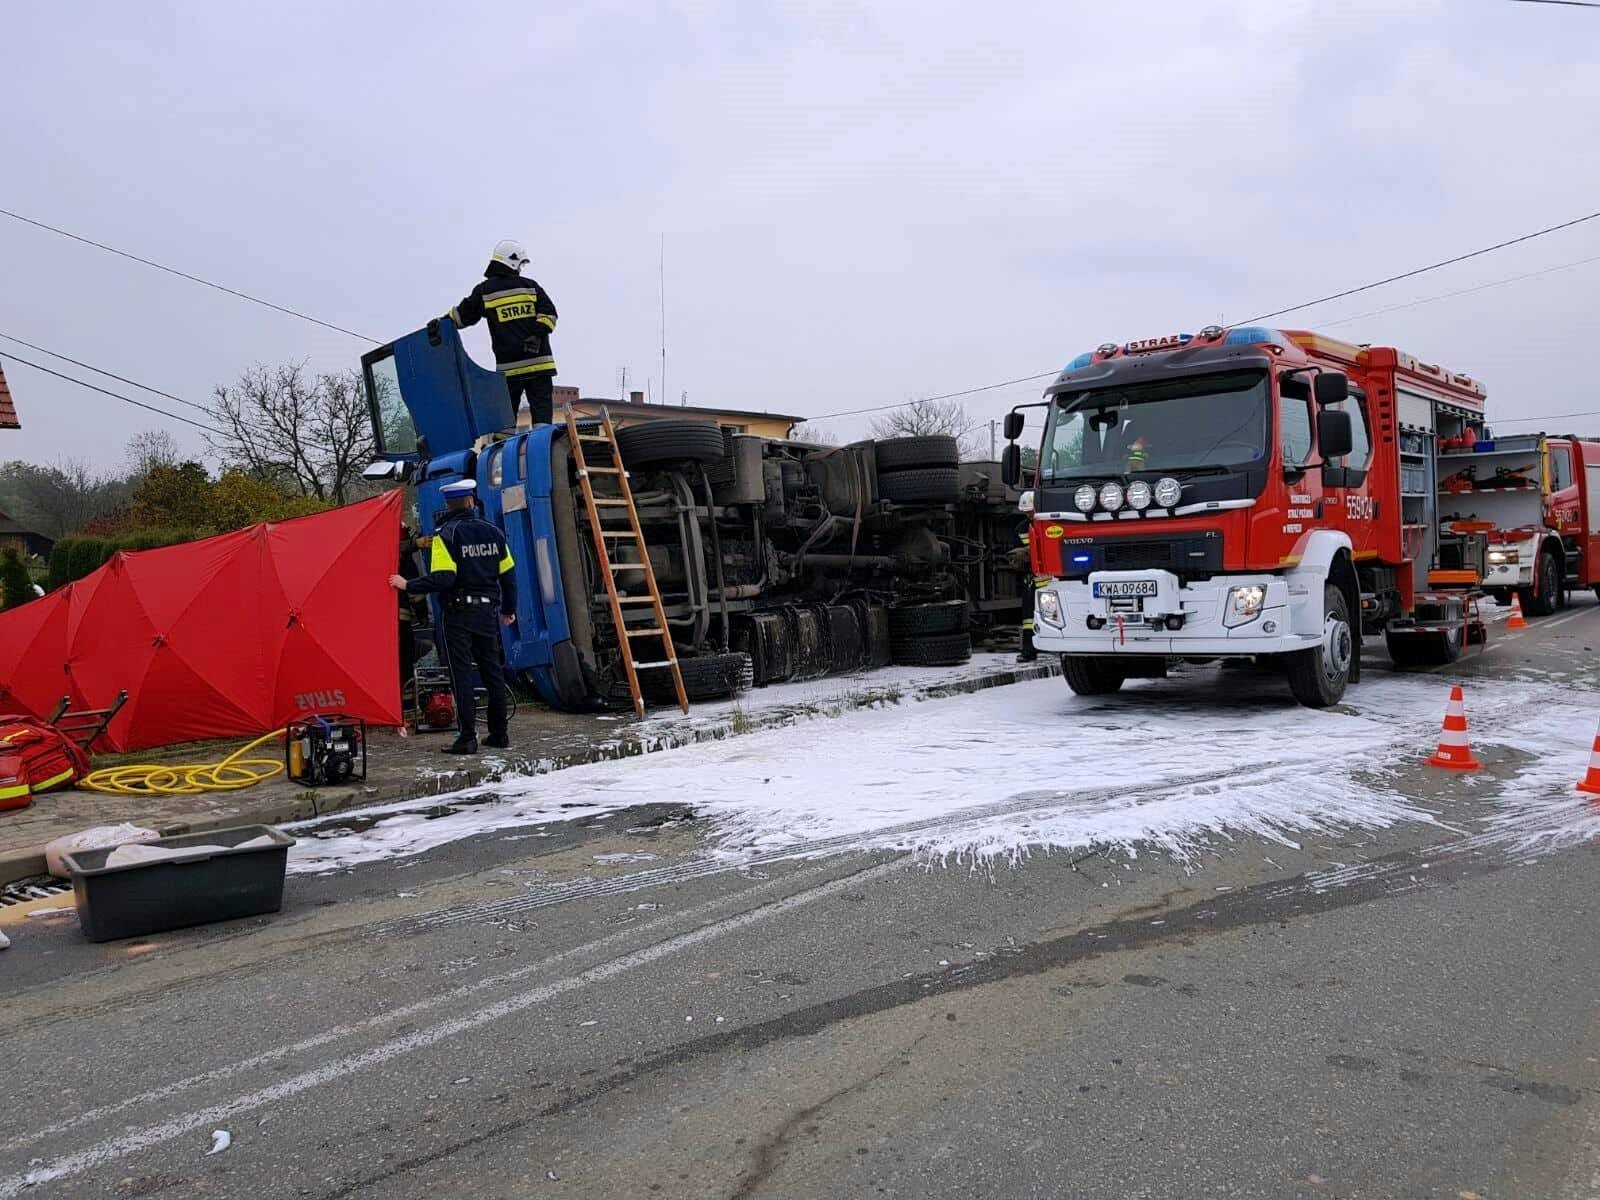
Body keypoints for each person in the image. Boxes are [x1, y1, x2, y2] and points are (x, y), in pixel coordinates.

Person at [388, 480, 516, 754]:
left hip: (458, 614)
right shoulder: (493, 532)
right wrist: (508, 610)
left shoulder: (445, 535)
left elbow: (444, 578)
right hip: (487, 613)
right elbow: (508, 575)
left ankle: (467, 738)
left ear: (448, 505)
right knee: (492, 672)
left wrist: (408, 584)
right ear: (471, 502)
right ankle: (499, 734)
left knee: (461, 674)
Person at [445, 239, 559, 426]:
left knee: (504, 422)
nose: (521, 269)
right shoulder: (530, 287)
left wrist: (440, 323)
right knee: (542, 422)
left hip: (509, 370)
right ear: (512, 261)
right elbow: (550, 314)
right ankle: (542, 445)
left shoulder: (485, 292)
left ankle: (501, 446)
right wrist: (537, 335)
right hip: (539, 365)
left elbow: (462, 316)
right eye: (520, 264)